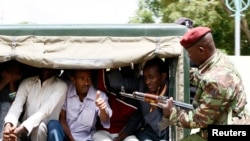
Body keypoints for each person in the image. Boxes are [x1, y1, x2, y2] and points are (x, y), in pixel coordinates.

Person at [160, 27, 247, 141]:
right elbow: (201, 77)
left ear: (201, 50)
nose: (189, 56)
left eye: (190, 53)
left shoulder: (216, 81)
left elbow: (199, 120)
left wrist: (171, 112)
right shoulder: (221, 60)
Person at [112, 57, 170, 141]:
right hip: (145, 134)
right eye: (145, 78)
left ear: (163, 76)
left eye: (151, 77)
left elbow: (163, 133)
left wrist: (154, 109)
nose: (147, 82)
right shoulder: (143, 87)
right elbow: (137, 116)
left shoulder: (172, 94)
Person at [2, 68, 68, 141]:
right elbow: (16, 105)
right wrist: (8, 125)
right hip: (23, 131)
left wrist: (20, 129)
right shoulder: (27, 82)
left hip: (43, 132)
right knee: (8, 122)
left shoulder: (61, 86)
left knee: (40, 127)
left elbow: (44, 111)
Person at [47, 69, 112, 141]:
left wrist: (102, 109)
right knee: (53, 124)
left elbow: (105, 120)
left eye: (89, 78)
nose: (86, 83)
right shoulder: (66, 91)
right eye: (82, 79)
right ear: (73, 80)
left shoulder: (99, 96)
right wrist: (70, 137)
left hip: (86, 138)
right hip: (66, 135)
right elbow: (62, 118)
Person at [0, 61, 23, 139]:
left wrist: (11, 82)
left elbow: (13, 99)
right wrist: (6, 80)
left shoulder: (19, 84)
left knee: (7, 107)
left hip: (9, 110)